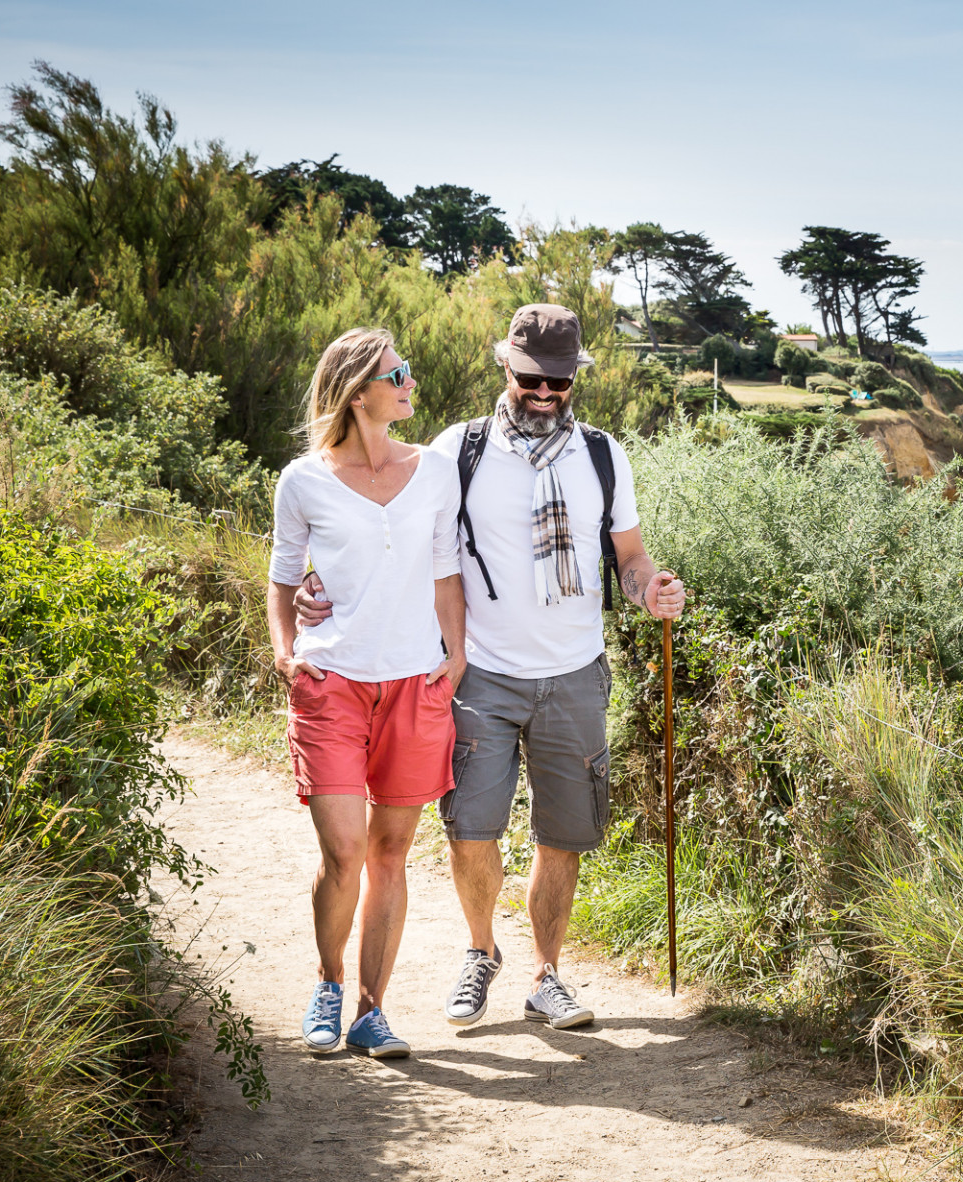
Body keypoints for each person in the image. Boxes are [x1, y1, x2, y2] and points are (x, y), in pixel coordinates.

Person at [296, 303, 685, 1032]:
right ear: (504, 366)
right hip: (479, 677)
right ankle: (481, 953)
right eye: (532, 378)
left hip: (576, 671)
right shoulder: (457, 452)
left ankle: (546, 975)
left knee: (561, 837)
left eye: (559, 382)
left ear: (576, 380)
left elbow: (629, 560)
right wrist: (321, 584)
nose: (545, 393)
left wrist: (652, 592)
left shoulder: (602, 455)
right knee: (470, 830)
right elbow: (390, 531)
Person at [266, 328, 467, 1058]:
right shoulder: (303, 479)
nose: (411, 382)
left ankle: (372, 1010)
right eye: (398, 373)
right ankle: (327, 984)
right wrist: (288, 653)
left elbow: (446, 569)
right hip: (332, 684)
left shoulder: (436, 471)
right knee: (345, 849)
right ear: (359, 393)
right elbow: (284, 576)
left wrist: (457, 655)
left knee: (390, 851)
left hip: (417, 684)